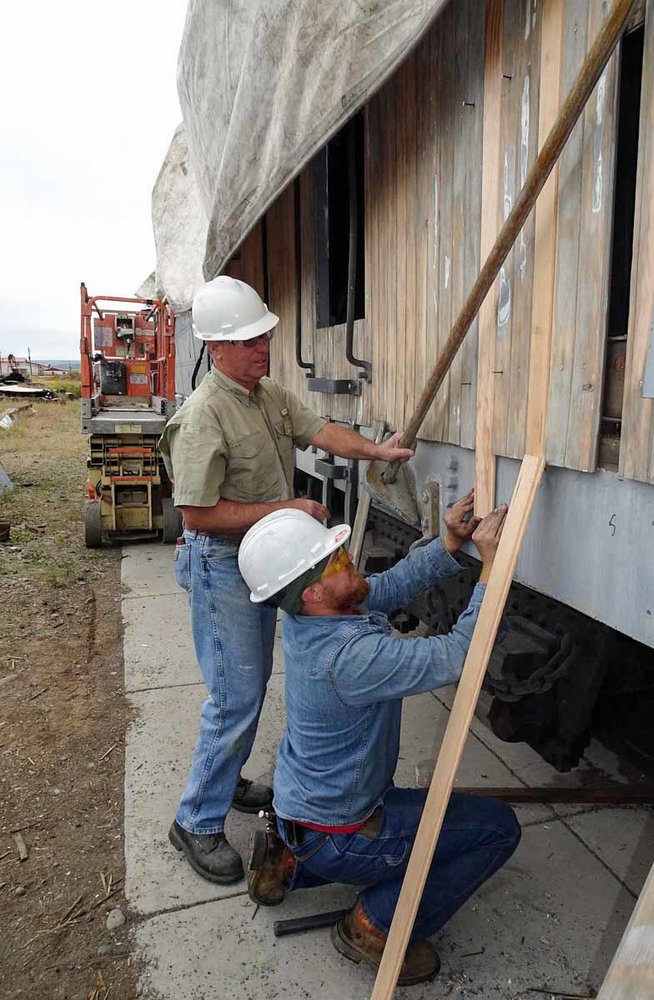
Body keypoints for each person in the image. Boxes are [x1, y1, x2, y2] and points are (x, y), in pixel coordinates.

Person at [159, 276, 413, 884]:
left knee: (250, 685)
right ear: (216, 347)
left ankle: (228, 773)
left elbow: (319, 430)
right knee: (236, 694)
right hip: (223, 564)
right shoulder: (203, 416)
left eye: (264, 336)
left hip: (264, 559)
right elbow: (196, 514)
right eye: (247, 342)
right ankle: (195, 820)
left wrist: (376, 452)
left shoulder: (267, 394)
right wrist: (284, 510)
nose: (261, 348)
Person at [238, 493, 520, 986]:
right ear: (314, 592)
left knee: (437, 823)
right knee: (498, 828)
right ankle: (375, 925)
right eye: (339, 560)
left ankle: (289, 860)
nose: (353, 562)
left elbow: (383, 587)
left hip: (301, 807)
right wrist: (491, 568)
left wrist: (449, 543)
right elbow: (460, 654)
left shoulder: (308, 616)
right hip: (340, 830)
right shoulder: (350, 658)